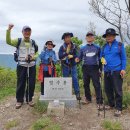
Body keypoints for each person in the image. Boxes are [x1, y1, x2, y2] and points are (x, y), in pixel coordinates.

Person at [6, 24, 38, 109]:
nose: (27, 32)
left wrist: (33, 57)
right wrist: (9, 30)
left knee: (31, 83)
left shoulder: (33, 42)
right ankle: (19, 100)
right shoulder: (18, 41)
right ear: (22, 32)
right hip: (21, 65)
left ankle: (29, 99)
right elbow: (8, 41)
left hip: (32, 66)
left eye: (28, 31)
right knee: (21, 83)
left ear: (30, 32)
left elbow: (37, 53)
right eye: (25, 31)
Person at [101, 28, 127, 117]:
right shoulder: (104, 46)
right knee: (108, 89)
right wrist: (102, 60)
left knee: (117, 90)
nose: (108, 37)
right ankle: (111, 104)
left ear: (114, 36)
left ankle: (119, 108)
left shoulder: (119, 45)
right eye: (107, 36)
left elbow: (123, 58)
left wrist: (123, 69)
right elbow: (101, 57)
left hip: (117, 70)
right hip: (107, 71)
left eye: (110, 35)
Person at [75, 32, 103, 108]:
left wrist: (100, 69)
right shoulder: (83, 48)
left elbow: (101, 59)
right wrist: (77, 59)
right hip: (85, 67)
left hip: (95, 67)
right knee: (85, 84)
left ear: (93, 38)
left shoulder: (97, 47)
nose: (90, 38)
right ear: (86, 38)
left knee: (96, 84)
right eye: (88, 36)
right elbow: (79, 58)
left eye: (91, 36)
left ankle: (99, 101)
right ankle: (88, 99)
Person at [58, 32, 81, 100]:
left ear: (70, 38)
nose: (68, 39)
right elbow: (60, 56)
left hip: (73, 65)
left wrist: (73, 56)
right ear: (64, 39)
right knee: (66, 80)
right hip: (65, 65)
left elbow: (78, 55)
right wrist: (66, 53)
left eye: (69, 37)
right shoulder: (62, 47)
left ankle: (77, 93)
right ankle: (66, 93)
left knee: (75, 79)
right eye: (66, 38)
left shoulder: (75, 46)